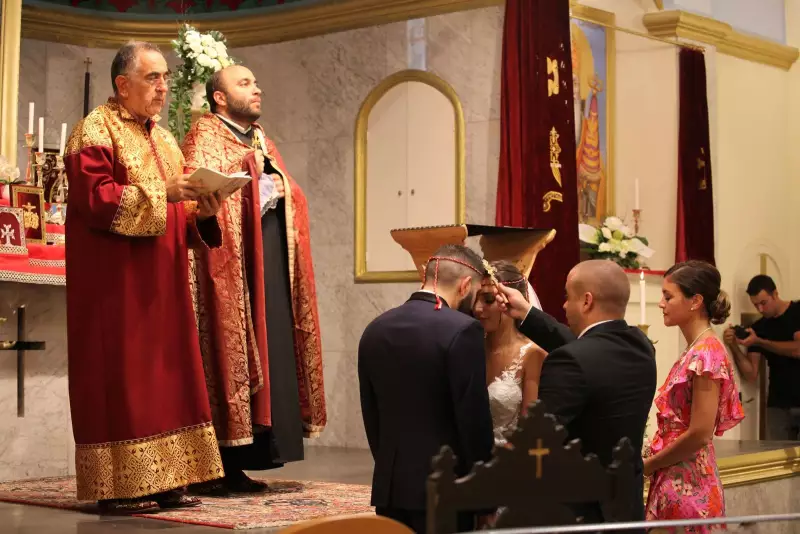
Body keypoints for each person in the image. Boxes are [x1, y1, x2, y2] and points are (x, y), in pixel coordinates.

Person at [64, 41, 224, 514]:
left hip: (164, 285)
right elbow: (96, 200)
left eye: (165, 78)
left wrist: (204, 213)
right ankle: (119, 486)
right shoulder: (94, 130)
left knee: (168, 378)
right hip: (116, 286)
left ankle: (171, 477)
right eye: (153, 78)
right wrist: (165, 192)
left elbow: (178, 211)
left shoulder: (166, 139)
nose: (162, 87)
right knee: (124, 380)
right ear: (122, 84)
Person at [181, 65, 326, 495]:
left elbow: (290, 191)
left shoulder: (262, 139)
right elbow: (200, 200)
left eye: (256, 82)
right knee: (228, 358)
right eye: (245, 83)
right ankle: (216, 463)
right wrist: (249, 187)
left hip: (268, 265)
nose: (258, 88)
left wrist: (281, 189)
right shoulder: (203, 137)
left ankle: (247, 458)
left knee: (271, 349)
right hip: (229, 273)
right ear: (220, 98)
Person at [496, 260, 657, 528]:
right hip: (626, 507)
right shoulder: (640, 346)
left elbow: (536, 440)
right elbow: (588, 350)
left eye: (567, 297)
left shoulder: (570, 362)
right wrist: (527, 313)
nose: (563, 306)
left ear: (586, 301)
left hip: (580, 513)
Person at [358, 244, 494, 534]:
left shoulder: (375, 328)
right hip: (446, 485)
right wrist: (483, 493)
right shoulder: (463, 329)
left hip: (391, 486)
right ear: (466, 284)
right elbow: (472, 419)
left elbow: (371, 413)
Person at [645, 260, 744, 532]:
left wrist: (649, 465)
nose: (661, 303)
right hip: (676, 475)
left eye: (668, 296)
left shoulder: (707, 352)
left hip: (690, 484)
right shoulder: (696, 348)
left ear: (695, 301)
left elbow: (700, 432)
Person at [473, 260, 546, 445]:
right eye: (475, 299)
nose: (477, 309)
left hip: (511, 463)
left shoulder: (533, 355)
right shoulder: (470, 348)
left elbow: (530, 430)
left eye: (488, 300)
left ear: (512, 300)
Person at [724, 274, 800, 440]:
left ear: (775, 294)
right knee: (777, 460)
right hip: (778, 404)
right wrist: (734, 346)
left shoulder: (797, 312)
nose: (760, 309)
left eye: (763, 303)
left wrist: (760, 341)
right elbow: (751, 374)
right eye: (756, 305)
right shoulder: (758, 327)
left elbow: (798, 350)